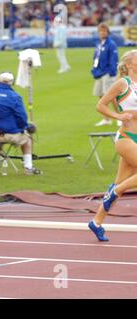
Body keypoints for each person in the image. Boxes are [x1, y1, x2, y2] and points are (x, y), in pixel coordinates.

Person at [88, 50, 137, 242]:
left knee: (121, 183)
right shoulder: (122, 83)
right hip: (126, 138)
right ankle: (113, 191)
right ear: (130, 64)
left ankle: (96, 222)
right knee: (119, 188)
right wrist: (118, 116)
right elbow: (100, 105)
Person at [0, 71, 41, 175]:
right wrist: (25, 128)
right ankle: (28, 167)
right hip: (8, 135)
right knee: (27, 139)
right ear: (11, 83)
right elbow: (21, 117)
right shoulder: (14, 97)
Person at [92, 23, 119, 127]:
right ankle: (106, 119)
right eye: (100, 31)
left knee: (111, 97)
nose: (102, 33)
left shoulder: (111, 44)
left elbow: (114, 59)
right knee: (100, 96)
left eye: (104, 31)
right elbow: (96, 57)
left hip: (107, 73)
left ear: (107, 32)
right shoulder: (98, 44)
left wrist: (111, 73)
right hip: (99, 73)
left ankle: (119, 117)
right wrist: (94, 70)